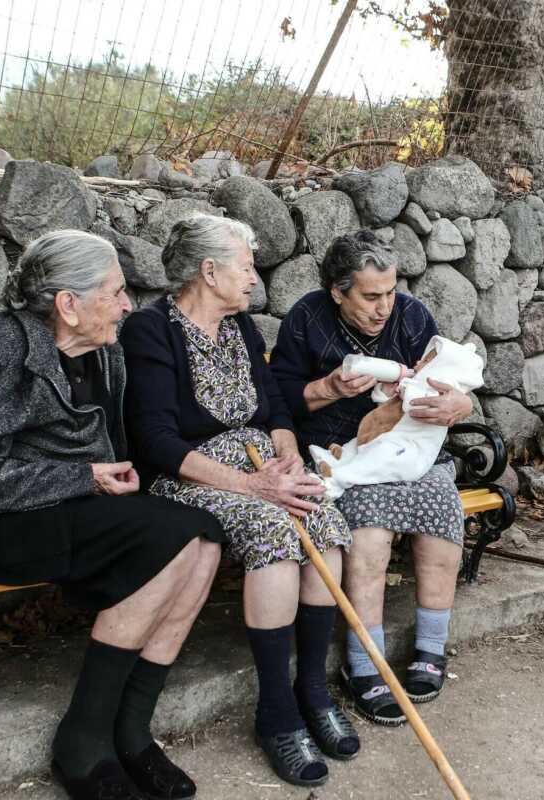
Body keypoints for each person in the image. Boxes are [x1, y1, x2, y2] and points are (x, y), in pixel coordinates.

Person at [0, 230, 225, 800]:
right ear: (68, 303)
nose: (126, 305)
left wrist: (116, 471)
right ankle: (84, 740)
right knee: (175, 537)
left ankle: (133, 731)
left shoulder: (104, 352)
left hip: (80, 511)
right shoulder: (1, 351)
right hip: (11, 523)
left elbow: (103, 443)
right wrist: (82, 477)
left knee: (206, 535)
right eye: (114, 293)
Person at [119, 215, 354, 789]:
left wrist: (287, 451)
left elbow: (274, 405)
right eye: (245, 266)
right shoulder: (151, 331)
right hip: (192, 477)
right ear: (209, 271)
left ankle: (313, 692)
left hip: (258, 465)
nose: (253, 279)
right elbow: (155, 441)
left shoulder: (240, 326)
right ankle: (276, 713)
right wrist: (252, 485)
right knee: (274, 532)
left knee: (324, 519)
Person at [270, 231, 474, 726]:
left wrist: (457, 405)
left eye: (390, 292)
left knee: (441, 514)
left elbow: (454, 380)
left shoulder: (412, 315)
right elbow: (277, 398)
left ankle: (430, 648)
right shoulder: (307, 318)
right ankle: (365, 665)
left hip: (411, 449)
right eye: (370, 296)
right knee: (369, 532)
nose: (384, 307)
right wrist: (329, 387)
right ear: (338, 291)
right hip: (341, 457)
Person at [310, 335, 486, 499]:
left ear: (440, 368)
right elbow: (386, 406)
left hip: (408, 453)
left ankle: (337, 481)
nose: (418, 361)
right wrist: (386, 391)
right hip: (383, 436)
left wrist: (406, 388)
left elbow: (418, 403)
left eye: (425, 361)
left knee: (378, 457)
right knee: (358, 445)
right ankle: (334, 459)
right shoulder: (415, 383)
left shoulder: (437, 391)